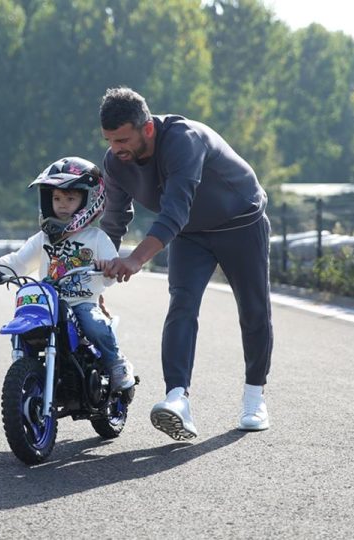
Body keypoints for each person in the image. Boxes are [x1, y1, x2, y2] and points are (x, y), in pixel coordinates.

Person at [97, 87, 272, 440]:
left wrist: (136, 259)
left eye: (123, 140)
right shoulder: (116, 162)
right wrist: (99, 281)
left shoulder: (184, 140)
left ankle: (255, 397)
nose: (116, 149)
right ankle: (178, 399)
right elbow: (114, 219)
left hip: (241, 222)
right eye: (110, 141)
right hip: (191, 234)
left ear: (147, 129)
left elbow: (175, 208)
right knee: (182, 305)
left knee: (253, 311)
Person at [0, 156, 135, 391]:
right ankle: (26, 372)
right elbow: (19, 261)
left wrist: (107, 268)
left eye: (70, 198)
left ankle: (116, 363)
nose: (62, 204)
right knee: (21, 328)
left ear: (89, 200)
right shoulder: (43, 238)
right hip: (47, 303)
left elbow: (111, 275)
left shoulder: (96, 237)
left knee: (94, 326)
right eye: (56, 198)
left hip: (81, 302)